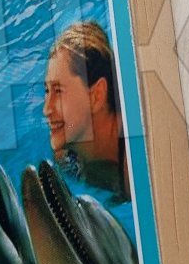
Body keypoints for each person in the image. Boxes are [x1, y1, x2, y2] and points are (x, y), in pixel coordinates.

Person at [42, 21, 130, 201]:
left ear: (96, 96)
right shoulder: (66, 157)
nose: (46, 109)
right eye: (47, 91)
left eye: (58, 91)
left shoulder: (135, 161)